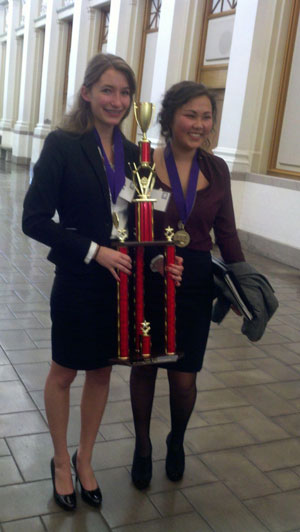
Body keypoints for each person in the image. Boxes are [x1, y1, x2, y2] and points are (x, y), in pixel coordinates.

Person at [22, 53, 140, 511]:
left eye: (125, 92)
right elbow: (33, 220)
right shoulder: (63, 144)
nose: (117, 100)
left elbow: (141, 216)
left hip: (121, 283)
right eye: (108, 90)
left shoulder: (134, 156)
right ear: (87, 92)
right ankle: (59, 461)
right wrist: (94, 250)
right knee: (65, 371)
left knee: (101, 370)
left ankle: (85, 458)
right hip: (79, 278)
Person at [130, 81, 245, 490]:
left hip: (194, 281)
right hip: (147, 274)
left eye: (206, 116)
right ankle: (142, 447)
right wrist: (153, 260)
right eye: (190, 115)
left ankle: (175, 440)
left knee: (183, 377)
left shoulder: (217, 170)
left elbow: (227, 232)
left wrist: (242, 284)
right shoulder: (141, 165)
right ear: (169, 118)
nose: (199, 124)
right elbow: (124, 226)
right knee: (144, 368)